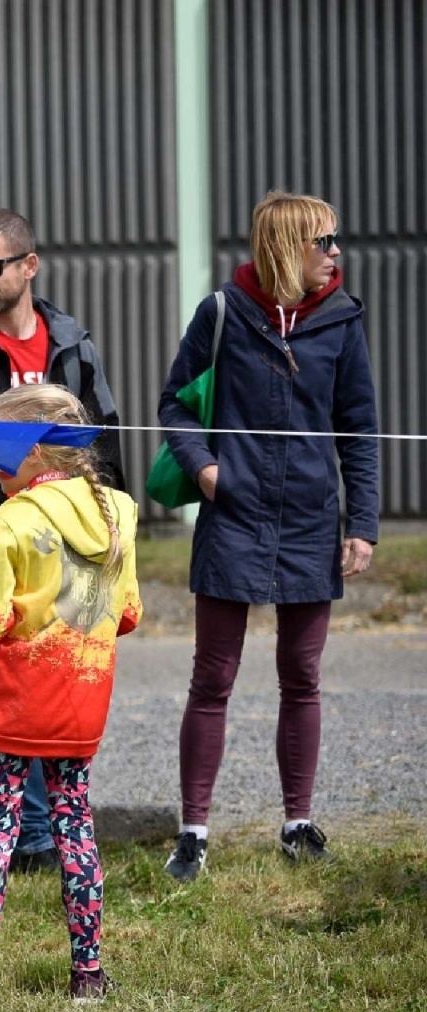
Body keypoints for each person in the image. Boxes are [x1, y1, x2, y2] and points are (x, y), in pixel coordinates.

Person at [159, 190, 379, 882]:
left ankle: (297, 822)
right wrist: (207, 473)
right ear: (288, 247)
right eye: (325, 241)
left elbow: (360, 428)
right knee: (212, 679)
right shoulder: (223, 313)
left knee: (303, 677)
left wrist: (363, 524)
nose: (336, 253)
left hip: (312, 520)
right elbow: (174, 404)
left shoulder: (342, 322)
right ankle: (193, 831)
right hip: (234, 517)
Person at [0, 383, 142, 1010]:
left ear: (38, 452)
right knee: (76, 828)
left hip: (13, 706)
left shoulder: (8, 520)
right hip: (81, 701)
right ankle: (89, 975)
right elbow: (126, 614)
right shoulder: (119, 511)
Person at [0, 208, 128, 874]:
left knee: (46, 696)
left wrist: (113, 529)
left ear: (28, 266)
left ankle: (40, 841)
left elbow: (101, 430)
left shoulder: (71, 343)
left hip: (64, 551)